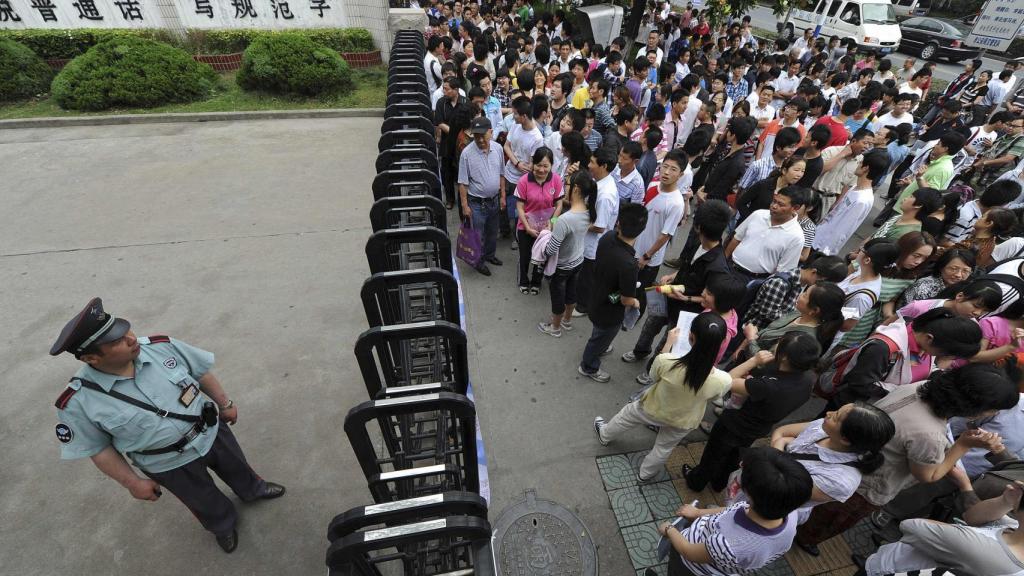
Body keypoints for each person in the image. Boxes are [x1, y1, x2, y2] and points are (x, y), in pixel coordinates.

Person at [51, 298, 285, 553]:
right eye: (117, 341)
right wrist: (132, 483)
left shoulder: (162, 347)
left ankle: (254, 489)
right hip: (168, 464)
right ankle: (223, 525)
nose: (131, 339)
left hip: (211, 433)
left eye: (125, 330)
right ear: (91, 358)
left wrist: (225, 402)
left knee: (238, 467)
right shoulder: (78, 401)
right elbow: (98, 450)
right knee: (202, 499)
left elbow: (200, 372)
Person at [796, 364, 1016, 553]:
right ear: (975, 407)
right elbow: (929, 474)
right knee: (826, 518)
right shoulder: (929, 435)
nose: (991, 414)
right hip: (867, 485)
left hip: (847, 459)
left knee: (811, 504)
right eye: (992, 409)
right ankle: (803, 539)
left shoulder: (919, 388)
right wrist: (963, 445)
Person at [594, 316, 732, 481]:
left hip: (653, 407)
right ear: (723, 342)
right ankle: (645, 475)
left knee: (626, 417)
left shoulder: (667, 361)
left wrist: (668, 343)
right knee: (664, 447)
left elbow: (653, 375)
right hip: (685, 419)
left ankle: (605, 435)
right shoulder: (723, 380)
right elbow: (715, 396)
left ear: (690, 337)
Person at [683, 331, 821, 493]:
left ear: (784, 357)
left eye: (779, 342)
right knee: (734, 457)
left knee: (714, 454)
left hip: (734, 424)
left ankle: (696, 481)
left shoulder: (768, 386)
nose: (775, 345)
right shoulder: (807, 379)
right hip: (759, 427)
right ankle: (719, 483)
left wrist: (753, 361)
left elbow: (725, 381)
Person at [661, 448, 814, 576]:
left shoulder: (727, 544)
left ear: (748, 491)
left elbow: (688, 552)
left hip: (693, 568)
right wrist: (697, 513)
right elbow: (734, 509)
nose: (741, 464)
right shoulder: (788, 511)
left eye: (745, 469)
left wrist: (670, 530)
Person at [755, 402, 896, 536]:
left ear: (845, 439)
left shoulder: (840, 480)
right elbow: (782, 431)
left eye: (836, 417)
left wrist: (780, 444)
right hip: (756, 477)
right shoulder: (822, 427)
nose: (829, 413)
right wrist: (779, 447)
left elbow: (781, 489)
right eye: (836, 410)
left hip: (769, 508)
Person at [623, 200, 734, 366]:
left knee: (669, 340)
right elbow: (688, 265)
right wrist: (673, 276)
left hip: (687, 310)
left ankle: (653, 368)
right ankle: (640, 351)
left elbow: (711, 299)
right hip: (667, 296)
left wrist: (686, 299)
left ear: (698, 227)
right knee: (650, 326)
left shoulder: (718, 267)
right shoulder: (697, 242)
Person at [827, 307, 984, 412]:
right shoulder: (883, 348)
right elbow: (860, 384)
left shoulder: (923, 341)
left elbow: (925, 366)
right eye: (949, 353)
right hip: (848, 407)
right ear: (930, 338)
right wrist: (914, 391)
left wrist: (938, 377)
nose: (950, 358)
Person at [577, 203, 647, 382]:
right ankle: (589, 366)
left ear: (618, 224)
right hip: (609, 311)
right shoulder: (629, 264)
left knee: (598, 332)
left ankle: (600, 347)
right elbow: (626, 299)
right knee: (601, 336)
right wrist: (635, 303)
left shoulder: (608, 237)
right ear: (642, 229)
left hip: (596, 295)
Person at [538, 172, 597, 337]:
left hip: (562, 266)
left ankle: (555, 328)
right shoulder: (588, 212)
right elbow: (564, 228)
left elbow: (551, 249)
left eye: (567, 184)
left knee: (558, 297)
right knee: (571, 294)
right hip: (578, 261)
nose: (564, 186)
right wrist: (553, 223)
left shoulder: (566, 219)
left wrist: (545, 236)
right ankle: (567, 321)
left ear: (576, 189)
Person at [633, 149, 688, 317]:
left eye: (673, 169)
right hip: (634, 248)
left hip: (649, 258)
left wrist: (647, 256)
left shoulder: (676, 203)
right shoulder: (652, 186)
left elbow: (665, 235)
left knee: (642, 291)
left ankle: (634, 318)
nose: (667, 172)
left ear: (680, 174)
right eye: (665, 166)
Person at [813, 149, 890, 256]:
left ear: (865, 168)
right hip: (818, 235)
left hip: (822, 247)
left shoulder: (862, 200)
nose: (857, 165)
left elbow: (842, 231)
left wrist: (825, 252)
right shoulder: (854, 187)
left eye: (860, 163)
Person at [741, 281, 846, 359]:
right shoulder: (798, 313)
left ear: (814, 310)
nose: (800, 296)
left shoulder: (800, 340)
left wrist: (751, 338)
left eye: (805, 295)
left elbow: (765, 363)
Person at [726, 187, 808, 283]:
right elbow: (737, 239)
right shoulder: (758, 215)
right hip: (729, 267)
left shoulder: (796, 236)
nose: (774, 206)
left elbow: (782, 271)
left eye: (780, 204)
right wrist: (723, 261)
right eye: (774, 201)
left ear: (795, 208)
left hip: (753, 280)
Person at [574, 148, 620, 317]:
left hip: (593, 246)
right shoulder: (599, 183)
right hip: (588, 242)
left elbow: (599, 226)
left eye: (593, 162)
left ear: (604, 166)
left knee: (587, 276)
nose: (589, 165)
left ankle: (582, 306)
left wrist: (577, 224)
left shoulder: (605, 195)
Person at [459, 117, 506, 276]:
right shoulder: (466, 153)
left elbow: (501, 174)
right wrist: (465, 206)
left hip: (494, 200)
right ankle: (479, 262)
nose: (479, 139)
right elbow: (463, 183)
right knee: (478, 235)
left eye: (482, 135)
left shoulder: (498, 149)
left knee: (493, 232)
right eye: (476, 135)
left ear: (491, 132)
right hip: (477, 204)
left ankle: (490, 255)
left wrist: (503, 196)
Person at [515, 147, 563, 293]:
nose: (542, 170)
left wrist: (552, 223)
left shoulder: (556, 180)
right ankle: (523, 280)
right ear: (533, 164)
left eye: (545, 166)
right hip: (525, 228)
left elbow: (559, 204)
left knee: (541, 256)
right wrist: (527, 227)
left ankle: (536, 281)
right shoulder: (524, 181)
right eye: (538, 165)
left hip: (546, 229)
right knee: (525, 256)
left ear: (551, 166)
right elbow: (520, 206)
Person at [502, 95, 545, 238]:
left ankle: (517, 234)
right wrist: (517, 163)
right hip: (508, 173)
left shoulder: (537, 138)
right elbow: (507, 146)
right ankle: (505, 230)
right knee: (504, 203)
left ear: (524, 116)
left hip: (522, 180)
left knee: (518, 209)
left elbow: (532, 165)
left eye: (515, 114)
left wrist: (523, 166)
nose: (512, 116)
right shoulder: (515, 126)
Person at [813, 127, 873, 216]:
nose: (867, 147)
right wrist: (842, 155)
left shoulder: (860, 162)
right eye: (865, 143)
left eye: (870, 144)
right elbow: (818, 171)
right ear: (853, 141)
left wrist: (836, 205)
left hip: (829, 200)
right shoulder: (831, 151)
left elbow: (847, 186)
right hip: (813, 192)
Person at [736, 156, 806, 225]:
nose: (799, 175)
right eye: (796, 170)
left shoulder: (792, 193)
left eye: (802, 171)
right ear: (784, 170)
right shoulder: (763, 185)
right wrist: (752, 219)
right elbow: (741, 203)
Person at [896, 279, 1003, 324]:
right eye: (976, 306)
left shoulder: (970, 327)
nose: (978, 313)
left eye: (984, 311)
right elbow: (888, 324)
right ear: (960, 296)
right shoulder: (919, 307)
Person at [872, 188, 943, 242]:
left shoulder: (905, 233)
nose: (905, 198)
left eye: (911, 196)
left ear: (918, 205)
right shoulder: (900, 217)